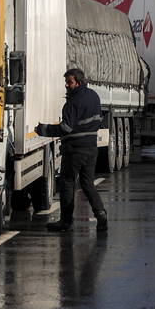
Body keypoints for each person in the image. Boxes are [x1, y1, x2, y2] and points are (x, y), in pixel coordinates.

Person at [35, 68, 108, 232]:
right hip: (91, 148)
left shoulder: (73, 102)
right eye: (66, 82)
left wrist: (44, 130)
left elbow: (65, 128)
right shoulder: (93, 96)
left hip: (75, 149)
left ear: (78, 83)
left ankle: (66, 222)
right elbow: (98, 120)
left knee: (68, 183)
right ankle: (101, 214)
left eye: (70, 82)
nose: (66, 86)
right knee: (88, 184)